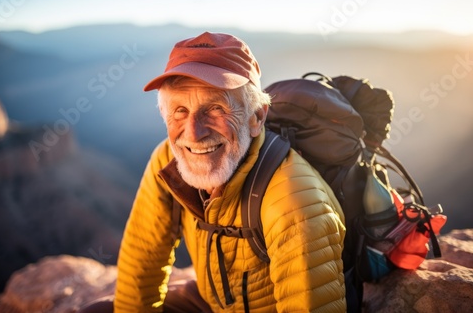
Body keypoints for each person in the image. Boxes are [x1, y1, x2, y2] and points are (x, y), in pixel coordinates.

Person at [80, 32, 346, 312]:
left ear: (257, 117)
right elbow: (142, 260)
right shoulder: (167, 160)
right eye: (180, 110)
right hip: (212, 302)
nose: (194, 133)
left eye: (215, 108)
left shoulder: (293, 203)